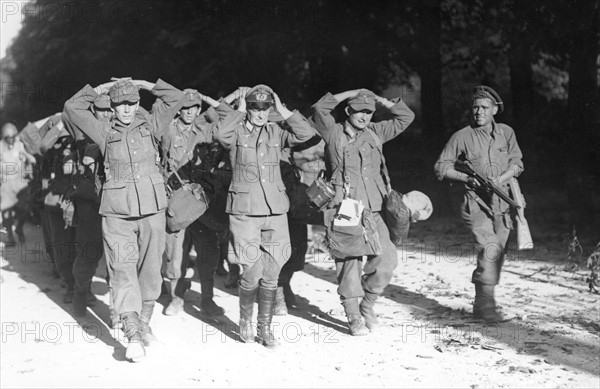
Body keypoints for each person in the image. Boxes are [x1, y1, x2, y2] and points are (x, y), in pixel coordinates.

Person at [63, 78, 183, 362]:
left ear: (138, 103)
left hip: (152, 209)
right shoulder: (103, 131)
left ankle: (144, 323)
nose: (126, 109)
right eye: (120, 104)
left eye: (131, 102)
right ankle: (132, 335)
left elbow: (175, 96)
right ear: (113, 107)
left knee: (151, 269)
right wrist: (102, 89)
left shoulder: (152, 125)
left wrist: (145, 83)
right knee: (121, 269)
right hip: (117, 212)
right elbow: (71, 106)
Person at [215, 85, 313, 348]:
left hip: (275, 210)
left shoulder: (276, 131)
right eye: (255, 108)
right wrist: (239, 109)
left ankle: (265, 329)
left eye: (264, 108)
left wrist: (281, 107)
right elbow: (221, 134)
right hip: (245, 210)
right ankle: (245, 322)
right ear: (248, 108)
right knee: (250, 269)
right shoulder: (236, 130)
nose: (260, 113)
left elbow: (306, 133)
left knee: (273, 269)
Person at [310, 88, 415, 336]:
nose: (364, 116)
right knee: (349, 262)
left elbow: (405, 118)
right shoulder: (333, 131)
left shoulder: (376, 132)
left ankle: (367, 303)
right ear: (348, 111)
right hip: (345, 206)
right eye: (359, 111)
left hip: (375, 207)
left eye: (369, 112)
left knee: (387, 260)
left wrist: (382, 101)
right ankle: (353, 314)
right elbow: (318, 109)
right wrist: (351, 92)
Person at [434, 85, 522, 323]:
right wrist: (467, 178)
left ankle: (481, 301)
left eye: (484, 107)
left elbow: (517, 163)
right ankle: (486, 306)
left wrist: (501, 178)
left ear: (495, 109)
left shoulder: (506, 133)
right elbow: (441, 168)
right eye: (475, 107)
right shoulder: (461, 136)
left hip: (503, 203)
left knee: (497, 252)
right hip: (474, 203)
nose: (479, 112)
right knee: (490, 248)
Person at [160, 89, 233, 317]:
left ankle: (207, 299)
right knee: (175, 253)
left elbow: (230, 118)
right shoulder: (167, 129)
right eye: (185, 108)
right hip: (176, 199)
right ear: (178, 109)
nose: (189, 112)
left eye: (194, 108)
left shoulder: (206, 129)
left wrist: (210, 99)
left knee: (207, 251)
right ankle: (176, 297)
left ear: (200, 110)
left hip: (202, 199)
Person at [62, 93, 113, 317]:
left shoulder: (118, 130)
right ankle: (80, 293)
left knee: (117, 257)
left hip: (115, 203)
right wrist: (99, 89)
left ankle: (117, 309)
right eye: (102, 109)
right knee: (89, 252)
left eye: (110, 109)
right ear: (93, 111)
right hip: (90, 203)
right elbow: (68, 109)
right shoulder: (82, 131)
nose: (107, 114)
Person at [0, 123, 36, 245]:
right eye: (7, 137)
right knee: (6, 213)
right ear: (4, 138)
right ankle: (10, 237)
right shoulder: (0, 147)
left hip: (20, 182)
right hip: (6, 184)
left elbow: (32, 159)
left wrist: (26, 156)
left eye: (12, 137)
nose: (10, 139)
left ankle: (19, 227)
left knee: (25, 209)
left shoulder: (19, 145)